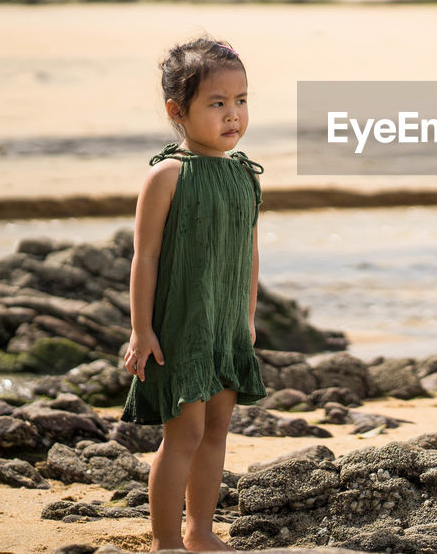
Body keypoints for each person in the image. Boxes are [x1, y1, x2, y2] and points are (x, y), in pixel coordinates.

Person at [120, 36, 267, 552]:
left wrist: (246, 317)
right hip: (181, 327)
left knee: (216, 432)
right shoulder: (167, 176)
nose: (233, 115)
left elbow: (248, 253)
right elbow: (146, 258)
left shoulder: (245, 175)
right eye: (218, 103)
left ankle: (200, 531)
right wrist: (141, 329)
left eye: (242, 100)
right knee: (182, 434)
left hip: (225, 327)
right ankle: (164, 541)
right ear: (177, 111)